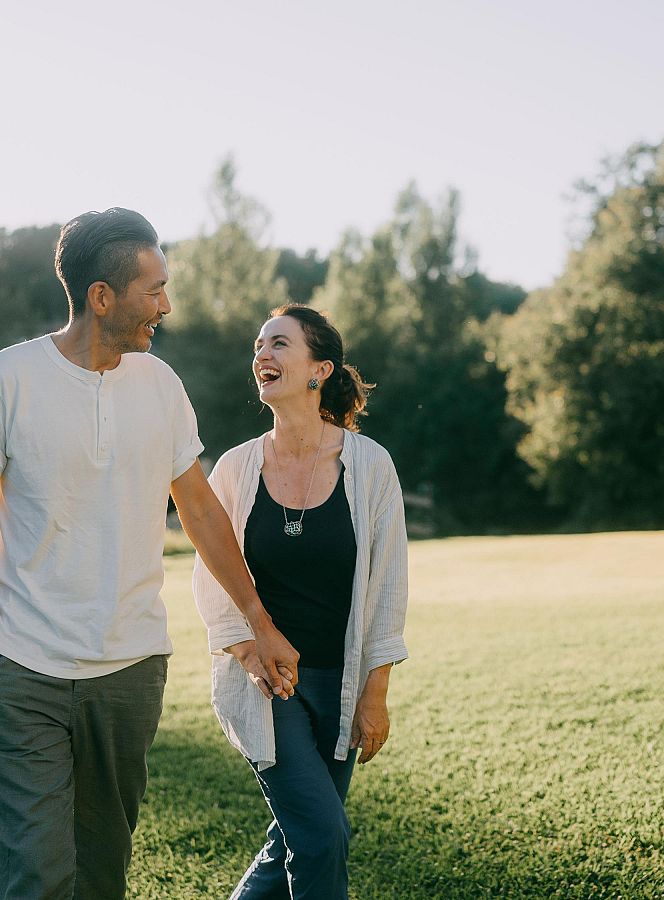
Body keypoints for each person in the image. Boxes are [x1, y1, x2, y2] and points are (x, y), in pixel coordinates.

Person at [0, 208, 300, 900]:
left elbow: (200, 509)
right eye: (154, 290)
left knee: (102, 874)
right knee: (36, 876)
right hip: (22, 671)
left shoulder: (160, 385)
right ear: (102, 297)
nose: (165, 306)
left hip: (130, 672)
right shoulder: (3, 379)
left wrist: (258, 619)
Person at [192, 304, 411, 900]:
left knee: (295, 839)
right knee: (321, 834)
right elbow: (210, 575)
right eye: (258, 346)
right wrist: (248, 652)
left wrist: (375, 691)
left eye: (280, 344)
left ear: (320, 370)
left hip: (341, 683)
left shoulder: (370, 465)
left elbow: (389, 585)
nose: (262, 355)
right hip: (269, 685)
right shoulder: (236, 468)